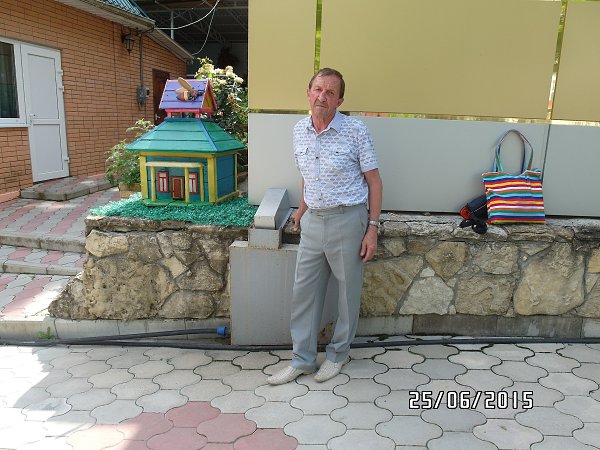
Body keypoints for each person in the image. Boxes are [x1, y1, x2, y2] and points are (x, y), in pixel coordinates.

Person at [267, 68, 383, 385]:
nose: (322, 96)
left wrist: (372, 228)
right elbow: (308, 173)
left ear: (340, 100)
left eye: (330, 92)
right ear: (308, 93)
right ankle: (302, 360)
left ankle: (337, 355)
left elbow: (374, 182)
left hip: (348, 219)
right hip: (313, 222)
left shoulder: (356, 131)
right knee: (304, 293)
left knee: (347, 293)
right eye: (318, 89)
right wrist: (301, 210)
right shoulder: (299, 130)